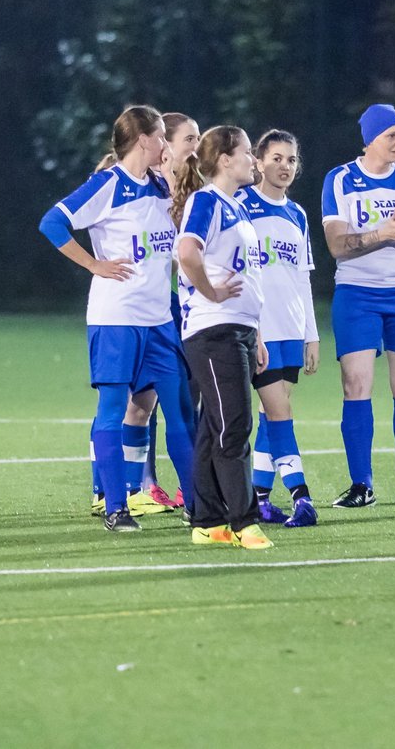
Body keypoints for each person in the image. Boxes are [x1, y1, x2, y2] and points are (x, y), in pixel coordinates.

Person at [38, 105, 196, 532]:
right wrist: (94, 264)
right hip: (116, 317)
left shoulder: (162, 188)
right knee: (112, 409)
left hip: (159, 319)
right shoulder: (108, 184)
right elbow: (52, 223)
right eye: (162, 135)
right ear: (143, 139)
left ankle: (197, 505)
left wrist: (173, 185)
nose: (166, 143)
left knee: (181, 412)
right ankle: (115, 507)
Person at [321, 104, 395, 508]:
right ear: (370, 138)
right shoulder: (340, 179)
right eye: (392, 135)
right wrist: (381, 234)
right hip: (357, 293)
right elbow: (337, 246)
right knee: (356, 385)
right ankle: (362, 485)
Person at [175, 125, 273, 549]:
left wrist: (257, 334)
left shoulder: (237, 208)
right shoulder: (206, 200)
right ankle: (243, 521)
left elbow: (249, 277)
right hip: (213, 329)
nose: (254, 160)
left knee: (212, 426)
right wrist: (209, 291)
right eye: (248, 152)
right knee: (234, 423)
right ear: (226, 159)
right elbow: (186, 251)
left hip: (238, 328)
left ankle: (208, 521)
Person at [236, 129, 320, 528]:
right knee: (279, 412)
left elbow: (303, 278)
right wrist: (252, 329)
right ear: (258, 161)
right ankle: (302, 497)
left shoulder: (298, 214)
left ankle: (259, 499)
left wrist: (312, 335)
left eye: (291, 160)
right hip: (259, 328)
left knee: (273, 416)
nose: (284, 166)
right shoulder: (241, 204)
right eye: (276, 158)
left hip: (290, 327)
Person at [139, 111, 203, 510]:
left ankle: (190, 485)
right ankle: (142, 483)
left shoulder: (200, 192)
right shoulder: (150, 190)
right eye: (189, 140)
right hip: (153, 308)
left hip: (191, 307)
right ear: (167, 147)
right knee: (145, 400)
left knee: (187, 399)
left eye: (199, 140)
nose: (196, 147)